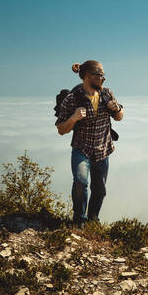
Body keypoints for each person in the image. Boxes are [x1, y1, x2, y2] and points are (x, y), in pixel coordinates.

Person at [55, 60, 124, 226]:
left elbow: (120, 117)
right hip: (81, 149)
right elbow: (61, 129)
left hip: (103, 149)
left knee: (100, 191)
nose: (103, 79)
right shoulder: (73, 99)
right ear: (87, 76)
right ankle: (79, 220)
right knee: (80, 183)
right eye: (100, 75)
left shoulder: (107, 94)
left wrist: (117, 110)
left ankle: (93, 221)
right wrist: (74, 117)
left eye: (104, 75)